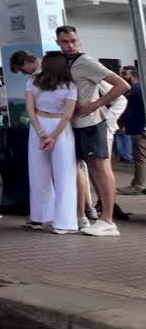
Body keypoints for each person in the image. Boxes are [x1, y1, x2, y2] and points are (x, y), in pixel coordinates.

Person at [57, 25, 130, 236]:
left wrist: (95, 104)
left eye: (73, 41)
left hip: (92, 123)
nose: (70, 45)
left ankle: (108, 220)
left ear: (78, 40)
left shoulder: (85, 61)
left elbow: (122, 85)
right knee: (87, 169)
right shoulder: (64, 63)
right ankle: (88, 216)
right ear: (58, 42)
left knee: (100, 169)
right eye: (65, 42)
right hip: (77, 126)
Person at [26, 52, 79, 233]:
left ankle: (40, 217)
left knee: (37, 173)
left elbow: (30, 110)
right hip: (61, 128)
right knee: (65, 175)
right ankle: (64, 222)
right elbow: (68, 114)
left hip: (38, 126)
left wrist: (41, 132)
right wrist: (53, 136)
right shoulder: (70, 85)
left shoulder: (33, 82)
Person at [118, 67, 146, 195]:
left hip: (139, 128)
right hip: (136, 127)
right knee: (140, 157)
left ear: (133, 75)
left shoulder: (138, 90)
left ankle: (137, 186)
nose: (122, 75)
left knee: (139, 157)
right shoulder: (134, 90)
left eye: (124, 73)